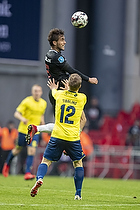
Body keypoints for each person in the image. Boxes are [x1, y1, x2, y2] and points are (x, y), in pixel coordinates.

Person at [25, 28, 98, 139]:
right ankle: (70, 142)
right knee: (80, 120)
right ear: (55, 43)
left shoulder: (49, 54)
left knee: (61, 125)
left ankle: (38, 129)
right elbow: (72, 71)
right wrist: (89, 79)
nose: (64, 42)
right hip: (64, 92)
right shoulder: (56, 57)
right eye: (62, 40)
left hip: (55, 91)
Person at [29, 74, 87, 200]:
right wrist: (70, 90)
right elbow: (75, 98)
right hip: (73, 138)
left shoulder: (59, 95)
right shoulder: (82, 98)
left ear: (68, 85)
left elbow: (54, 91)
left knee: (46, 161)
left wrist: (56, 88)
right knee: (78, 163)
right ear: (80, 86)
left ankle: (39, 179)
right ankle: (78, 194)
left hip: (57, 135)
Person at [2, 84, 47, 180]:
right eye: (35, 91)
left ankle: (27, 173)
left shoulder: (43, 103)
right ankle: (7, 164)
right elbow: (16, 113)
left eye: (38, 91)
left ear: (41, 92)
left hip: (35, 132)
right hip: (23, 130)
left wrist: (43, 123)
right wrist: (23, 119)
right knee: (17, 150)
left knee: (32, 151)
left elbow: (41, 115)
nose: (37, 93)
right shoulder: (27, 101)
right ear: (32, 92)